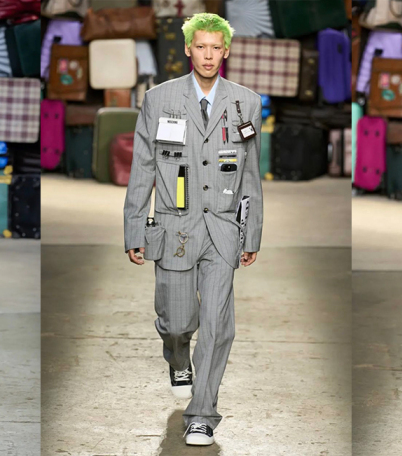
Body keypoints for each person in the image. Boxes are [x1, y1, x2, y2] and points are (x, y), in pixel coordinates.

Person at [123, 13, 263, 446]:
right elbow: (143, 167)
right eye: (200, 46)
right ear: (188, 49)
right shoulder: (159, 99)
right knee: (176, 322)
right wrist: (134, 229)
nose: (208, 55)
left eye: (215, 47)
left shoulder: (246, 103)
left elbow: (251, 174)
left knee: (218, 326)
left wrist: (252, 232)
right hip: (174, 228)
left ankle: (202, 414)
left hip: (222, 230)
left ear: (226, 51)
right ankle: (177, 357)